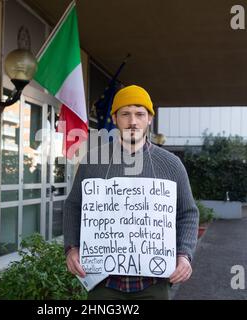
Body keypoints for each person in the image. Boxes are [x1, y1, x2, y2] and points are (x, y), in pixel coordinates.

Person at [63, 85, 199, 300]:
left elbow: (188, 213)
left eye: (140, 114)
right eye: (125, 114)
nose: (133, 121)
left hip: (153, 282)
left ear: (149, 119)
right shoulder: (92, 162)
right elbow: (73, 206)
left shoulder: (171, 164)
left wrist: (184, 255)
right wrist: (72, 248)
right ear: (115, 118)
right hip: (103, 282)